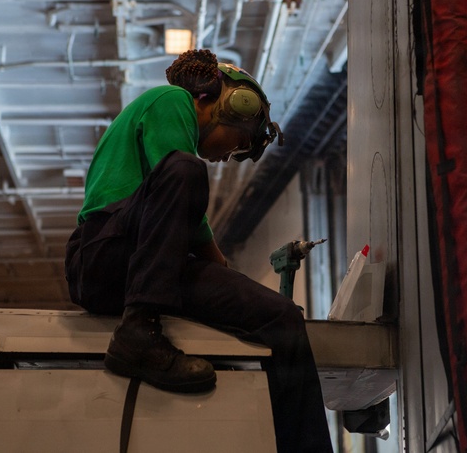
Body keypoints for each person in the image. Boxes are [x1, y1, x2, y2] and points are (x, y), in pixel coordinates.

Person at [65, 49, 333, 452]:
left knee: (282, 320)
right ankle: (138, 331)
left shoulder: (178, 178)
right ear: (217, 102)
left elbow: (177, 221)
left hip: (149, 265)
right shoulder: (171, 101)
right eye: (238, 143)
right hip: (102, 254)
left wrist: (235, 286)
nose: (229, 156)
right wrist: (222, 266)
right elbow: (185, 208)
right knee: (187, 170)